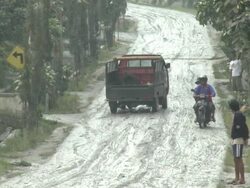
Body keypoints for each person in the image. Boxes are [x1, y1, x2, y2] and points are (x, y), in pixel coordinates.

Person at [228, 99, 249, 185]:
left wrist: (245, 138)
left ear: (231, 107)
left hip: (238, 139)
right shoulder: (237, 114)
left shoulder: (238, 115)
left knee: (238, 159)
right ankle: (237, 178)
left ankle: (242, 179)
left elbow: (242, 128)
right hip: (236, 139)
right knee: (236, 159)